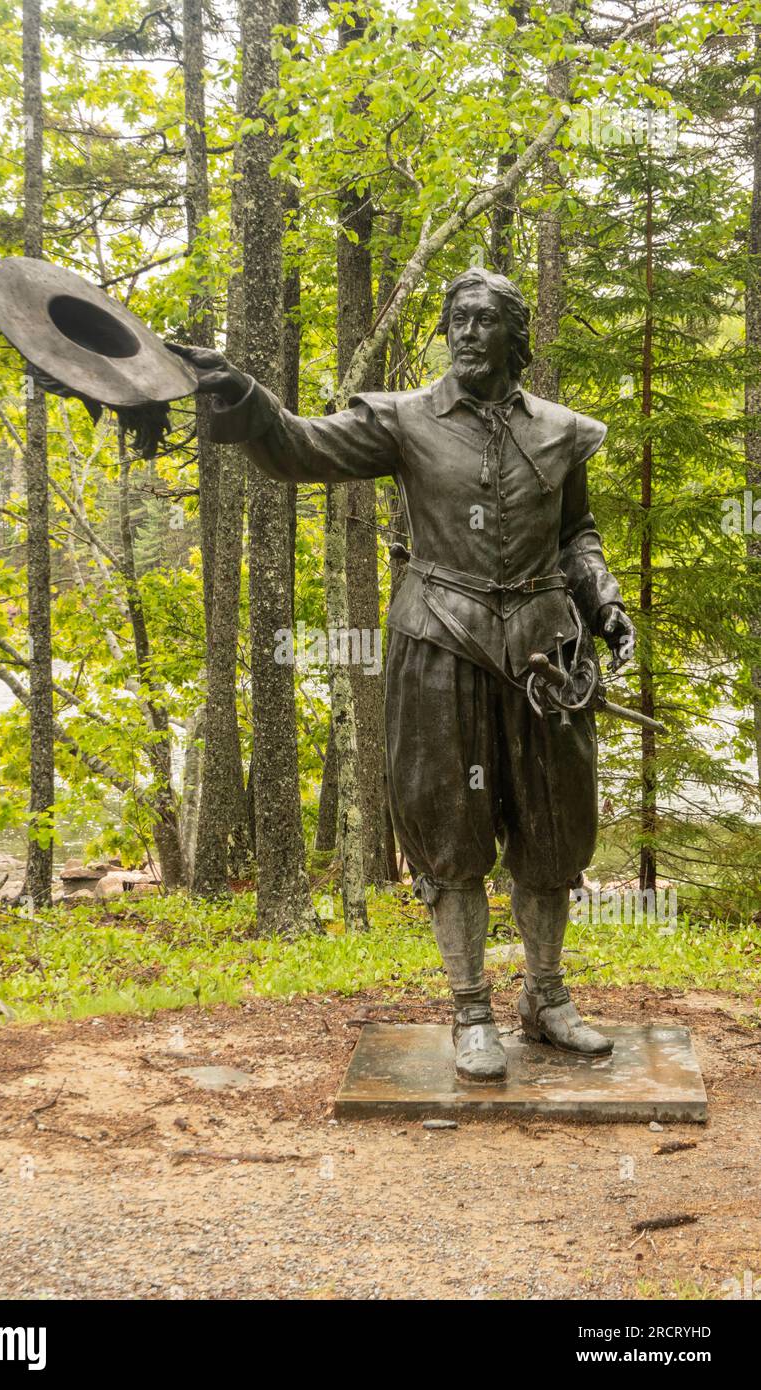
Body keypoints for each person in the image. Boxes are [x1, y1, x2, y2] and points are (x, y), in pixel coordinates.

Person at [174, 268, 635, 1082]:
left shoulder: (563, 431)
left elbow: (579, 534)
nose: (465, 331)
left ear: (512, 336)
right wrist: (242, 396)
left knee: (553, 830)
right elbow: (297, 446)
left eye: (484, 319)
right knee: (449, 830)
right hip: (438, 642)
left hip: (544, 653)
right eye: (456, 318)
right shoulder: (403, 420)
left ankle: (548, 997)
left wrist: (603, 600)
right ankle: (468, 1010)